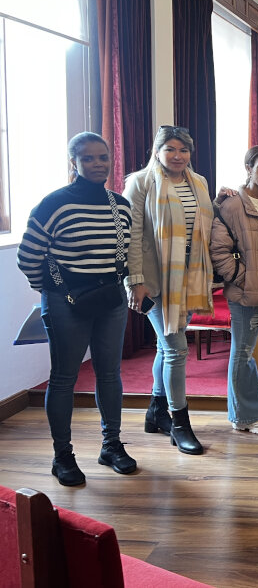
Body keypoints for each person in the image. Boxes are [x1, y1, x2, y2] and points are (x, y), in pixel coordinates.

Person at [17, 132, 136, 486]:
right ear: (73, 162)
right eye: (87, 158)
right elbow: (28, 257)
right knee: (65, 377)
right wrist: (52, 290)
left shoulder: (120, 205)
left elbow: (127, 254)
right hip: (65, 302)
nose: (97, 164)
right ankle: (62, 455)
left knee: (110, 373)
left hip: (111, 299)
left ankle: (111, 445)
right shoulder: (54, 204)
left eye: (102, 157)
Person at [124, 126, 215, 456]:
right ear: (157, 150)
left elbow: (204, 223)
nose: (178, 156)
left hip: (189, 278)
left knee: (166, 348)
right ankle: (180, 423)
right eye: (171, 149)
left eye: (184, 150)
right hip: (155, 280)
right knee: (176, 349)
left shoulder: (199, 182)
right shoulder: (140, 182)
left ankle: (156, 412)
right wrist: (134, 280)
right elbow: (131, 235)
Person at [210, 145, 258, 436]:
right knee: (243, 352)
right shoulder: (232, 203)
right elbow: (219, 250)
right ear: (249, 169)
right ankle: (244, 416)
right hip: (246, 290)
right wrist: (242, 277)